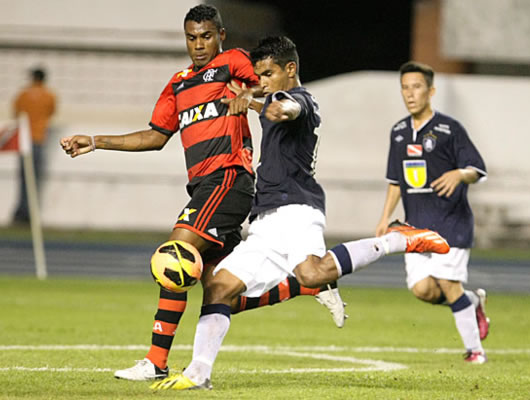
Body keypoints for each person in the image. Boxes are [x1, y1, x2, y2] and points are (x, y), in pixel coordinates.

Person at [59, 4, 346, 382]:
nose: (199, 45)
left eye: (206, 36)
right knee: (218, 288)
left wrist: (249, 93)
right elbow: (155, 137)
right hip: (203, 186)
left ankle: (155, 361)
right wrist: (95, 141)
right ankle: (305, 285)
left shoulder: (232, 62)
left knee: (175, 253)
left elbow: (269, 79)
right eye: (192, 38)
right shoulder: (177, 84)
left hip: (228, 179)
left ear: (221, 36)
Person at [150, 36, 450, 391]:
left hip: (295, 208)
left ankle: (398, 240)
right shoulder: (273, 96)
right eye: (258, 74)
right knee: (219, 287)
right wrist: (253, 100)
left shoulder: (298, 100)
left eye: (268, 73)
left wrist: (258, 102)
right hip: (265, 221)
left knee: (312, 272)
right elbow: (273, 104)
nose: (261, 81)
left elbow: (285, 108)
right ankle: (198, 374)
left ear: (290, 69)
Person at [375, 61, 490, 364]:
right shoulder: (399, 132)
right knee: (423, 289)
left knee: (449, 284)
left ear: (431, 90)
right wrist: (385, 216)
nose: (410, 94)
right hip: (417, 226)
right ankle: (473, 302)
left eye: (416, 87)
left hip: (451, 222)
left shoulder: (449, 129)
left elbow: (477, 168)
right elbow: (395, 180)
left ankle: (475, 352)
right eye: (405, 87)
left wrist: (459, 175)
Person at [12, 67, 56, 224]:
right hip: (38, 139)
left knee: (24, 178)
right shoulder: (49, 95)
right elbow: (51, 113)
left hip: (24, 139)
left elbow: (16, 113)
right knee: (35, 179)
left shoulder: (23, 94)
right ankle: (30, 213)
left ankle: (22, 212)